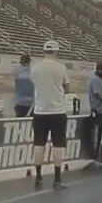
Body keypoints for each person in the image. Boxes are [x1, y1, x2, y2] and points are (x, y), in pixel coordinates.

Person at [30, 40, 70, 190]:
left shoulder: (35, 68)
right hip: (57, 111)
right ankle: (57, 178)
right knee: (58, 145)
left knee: (39, 144)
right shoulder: (61, 68)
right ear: (56, 51)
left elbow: (35, 84)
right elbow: (67, 88)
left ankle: (38, 176)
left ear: (44, 51)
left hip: (40, 111)